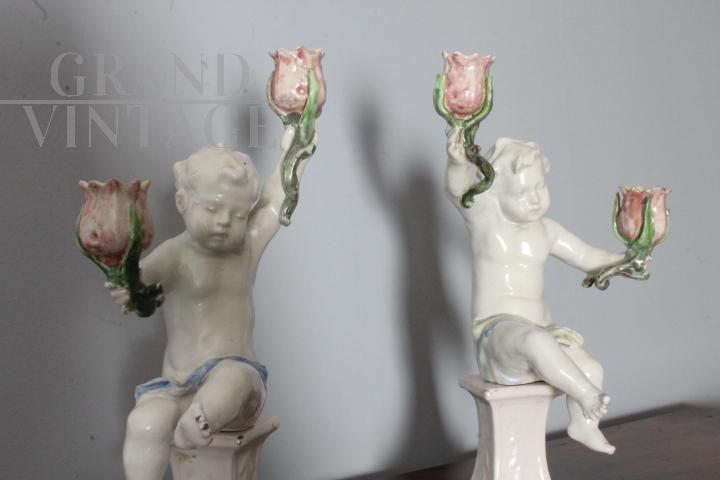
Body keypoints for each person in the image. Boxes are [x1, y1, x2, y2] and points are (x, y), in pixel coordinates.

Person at [106, 126, 317, 480]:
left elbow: (274, 200)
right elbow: (137, 283)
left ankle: (199, 421)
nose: (224, 222)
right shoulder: (173, 255)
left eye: (238, 215)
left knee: (231, 378)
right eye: (212, 208)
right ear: (183, 203)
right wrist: (127, 289)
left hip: (238, 388)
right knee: (144, 423)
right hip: (178, 386)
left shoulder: (245, 247)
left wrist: (297, 147)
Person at [445, 127, 623, 454]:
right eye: (522, 193)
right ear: (493, 194)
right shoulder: (487, 224)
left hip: (541, 330)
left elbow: (589, 257)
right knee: (536, 342)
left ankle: (583, 425)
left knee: (590, 368)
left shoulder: (547, 231)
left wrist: (629, 258)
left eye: (540, 187)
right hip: (497, 333)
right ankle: (587, 396)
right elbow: (458, 191)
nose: (536, 199)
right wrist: (457, 162)